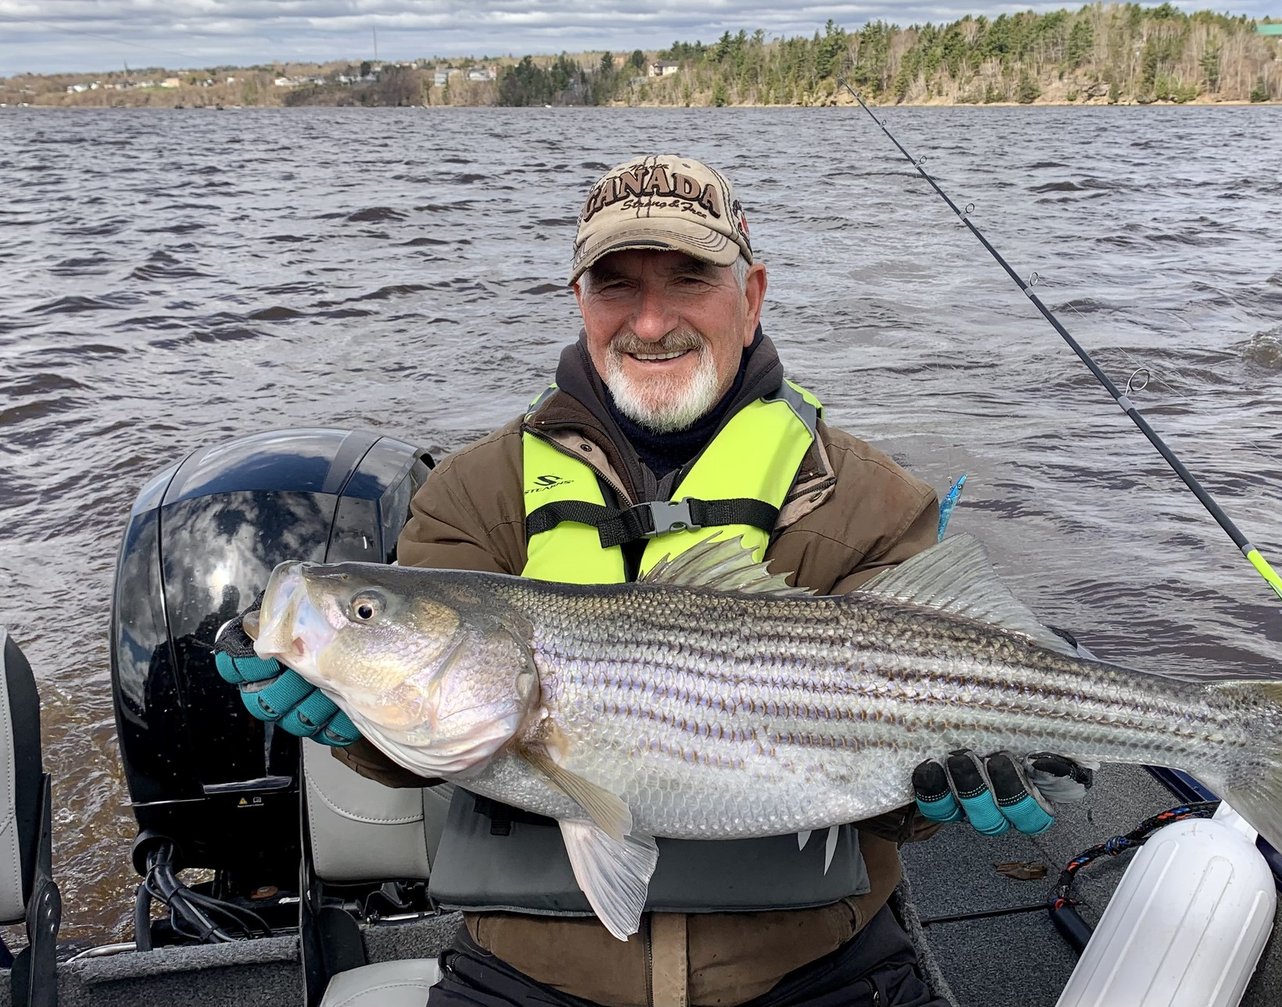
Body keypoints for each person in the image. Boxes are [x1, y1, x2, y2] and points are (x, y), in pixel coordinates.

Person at [216, 154, 1089, 1007]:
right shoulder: (474, 490)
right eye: (617, 286)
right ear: (580, 304)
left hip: (818, 967)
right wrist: (353, 723)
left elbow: (899, 800)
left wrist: (950, 793)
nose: (649, 321)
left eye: (688, 279)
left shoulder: (870, 493)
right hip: (529, 974)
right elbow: (433, 729)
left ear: (750, 297)